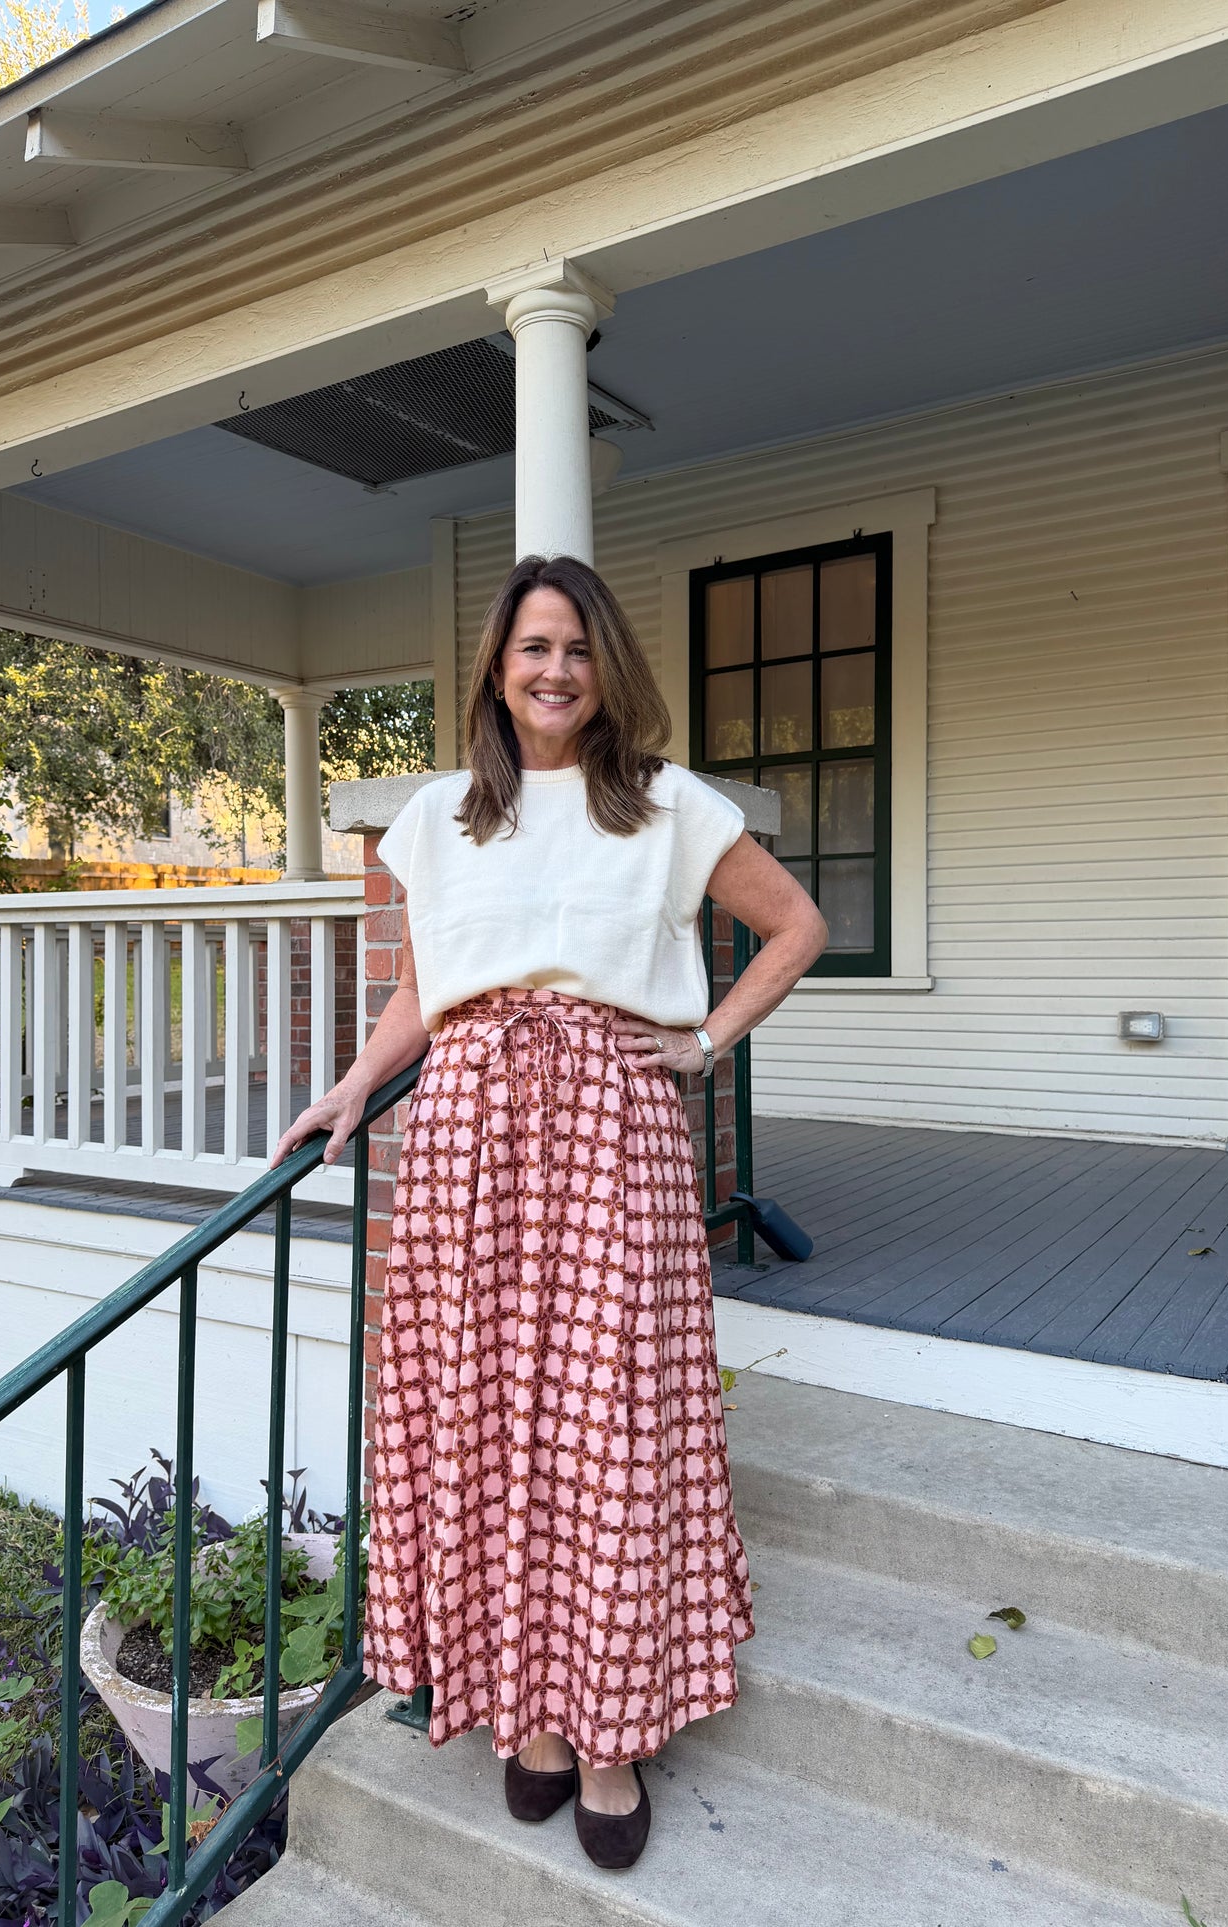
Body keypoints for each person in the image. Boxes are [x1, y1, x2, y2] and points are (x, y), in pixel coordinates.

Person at [272, 554, 825, 1870]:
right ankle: (525, 1715)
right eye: (531, 648)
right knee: (485, 1414)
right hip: (464, 1134)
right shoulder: (443, 816)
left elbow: (794, 926)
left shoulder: (669, 806)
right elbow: (430, 986)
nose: (554, 671)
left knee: (607, 1419)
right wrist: (354, 1084)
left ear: (605, 664)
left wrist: (709, 1040)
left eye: (575, 648)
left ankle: (613, 1730)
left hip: (615, 1130)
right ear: (496, 667)